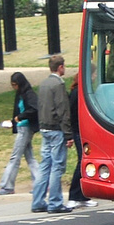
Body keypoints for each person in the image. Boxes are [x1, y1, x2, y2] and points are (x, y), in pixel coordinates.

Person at [31, 55, 74, 214]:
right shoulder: (58, 85)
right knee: (57, 166)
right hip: (56, 129)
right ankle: (55, 202)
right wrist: (68, 134)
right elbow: (63, 110)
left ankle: (38, 201)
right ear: (60, 67)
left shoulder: (44, 84)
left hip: (44, 127)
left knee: (45, 165)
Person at [0, 72, 40, 195]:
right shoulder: (21, 93)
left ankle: (7, 185)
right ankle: (40, 182)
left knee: (15, 157)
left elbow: (33, 109)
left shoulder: (29, 94)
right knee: (30, 157)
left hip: (25, 127)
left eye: (15, 85)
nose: (14, 87)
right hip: (22, 126)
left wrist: (19, 118)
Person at [66, 73, 98, 209]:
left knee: (84, 162)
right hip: (79, 131)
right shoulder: (77, 93)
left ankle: (82, 196)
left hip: (81, 131)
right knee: (82, 162)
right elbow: (72, 114)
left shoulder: (77, 92)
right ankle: (74, 195)